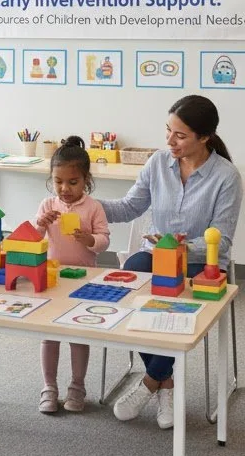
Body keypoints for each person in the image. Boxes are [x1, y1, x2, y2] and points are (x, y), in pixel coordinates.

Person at [101, 95, 242, 429]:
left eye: (180, 135)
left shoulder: (227, 177)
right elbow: (128, 207)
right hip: (155, 255)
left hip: (200, 263)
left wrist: (184, 245)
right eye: (168, 131)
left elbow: (221, 239)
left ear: (204, 137)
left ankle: (151, 381)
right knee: (128, 280)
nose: (169, 141)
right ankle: (167, 382)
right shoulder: (157, 164)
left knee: (173, 300)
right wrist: (86, 203)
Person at [32, 137, 109, 414]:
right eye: (58, 182)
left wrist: (89, 239)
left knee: (78, 333)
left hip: (84, 280)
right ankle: (48, 386)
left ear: (86, 180)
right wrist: (40, 224)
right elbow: (34, 237)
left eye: (73, 182)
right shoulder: (47, 205)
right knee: (49, 334)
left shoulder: (93, 207)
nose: (64, 189)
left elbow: (104, 240)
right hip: (53, 279)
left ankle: (77, 386)